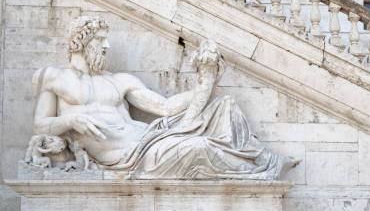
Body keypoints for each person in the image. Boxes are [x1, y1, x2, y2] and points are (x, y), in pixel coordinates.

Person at [31, 16, 297, 180]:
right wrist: (71, 121)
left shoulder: (118, 80)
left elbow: (165, 107)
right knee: (200, 147)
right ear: (82, 41)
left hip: (149, 139)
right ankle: (263, 167)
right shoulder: (54, 76)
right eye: (101, 40)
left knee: (223, 106)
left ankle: (260, 160)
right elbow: (40, 125)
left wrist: (205, 81)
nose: (106, 46)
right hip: (127, 156)